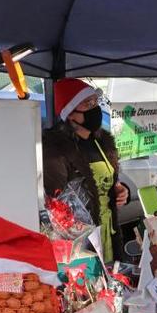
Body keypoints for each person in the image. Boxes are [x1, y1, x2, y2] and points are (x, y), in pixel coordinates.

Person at [43, 78, 128, 263]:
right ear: (70, 113)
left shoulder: (102, 142)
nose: (94, 108)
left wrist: (120, 189)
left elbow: (111, 182)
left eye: (95, 102)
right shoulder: (55, 147)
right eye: (87, 103)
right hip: (79, 239)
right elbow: (54, 199)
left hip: (108, 231)